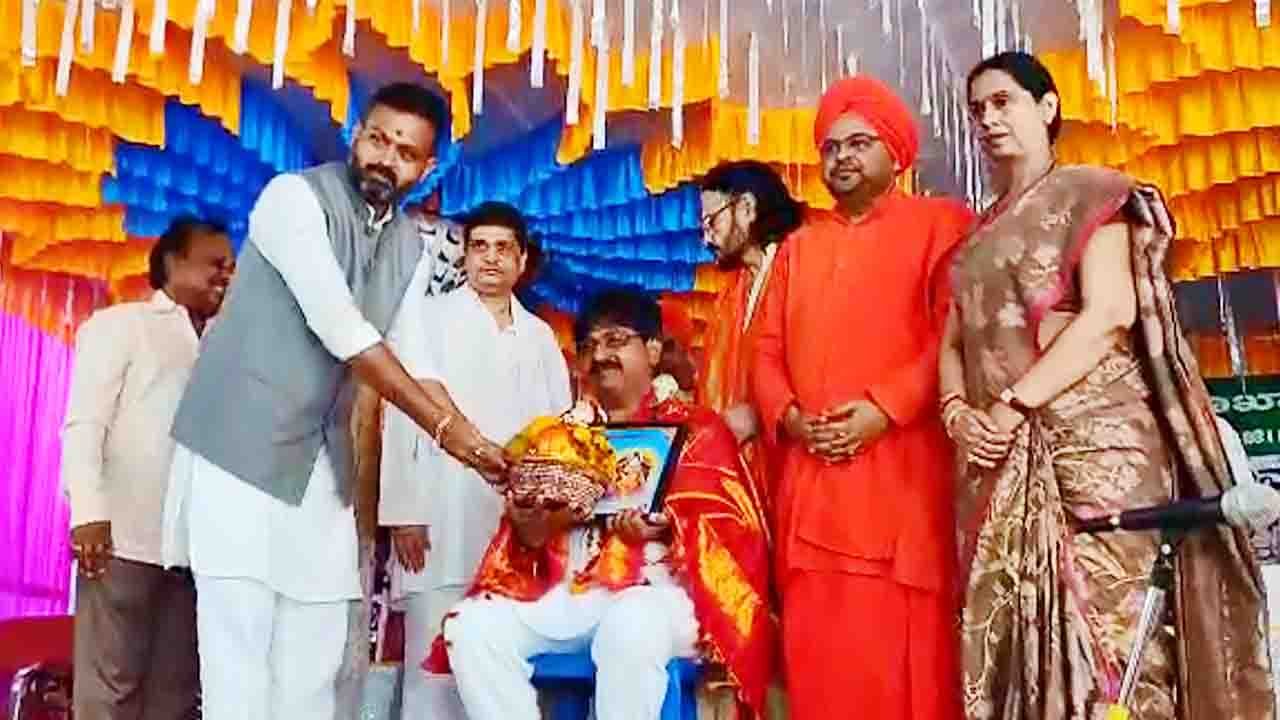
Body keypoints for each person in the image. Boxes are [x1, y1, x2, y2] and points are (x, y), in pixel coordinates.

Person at [161, 82, 508, 720]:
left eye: (406, 152)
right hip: (238, 455)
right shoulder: (291, 199)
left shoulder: (410, 246)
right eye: (378, 139)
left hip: (321, 471)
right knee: (238, 660)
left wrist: (479, 446)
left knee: (314, 664)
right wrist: (446, 431)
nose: (385, 159)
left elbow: (418, 361)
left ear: (427, 167)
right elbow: (342, 329)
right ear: (357, 134)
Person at [942, 51, 1273, 718]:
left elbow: (1109, 314)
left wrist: (1011, 405)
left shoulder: (1092, 194)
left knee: (1118, 641)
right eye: (977, 110)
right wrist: (956, 412)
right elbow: (954, 341)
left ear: (1047, 106)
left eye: (1003, 102)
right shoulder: (976, 238)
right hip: (999, 461)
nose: (988, 119)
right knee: (1018, 644)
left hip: (1097, 452)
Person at [437, 289, 776, 720]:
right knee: (470, 627)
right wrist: (532, 523)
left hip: (664, 595)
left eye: (615, 340)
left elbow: (732, 529)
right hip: (573, 592)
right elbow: (528, 542)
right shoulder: (559, 435)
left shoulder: (698, 430)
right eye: (588, 346)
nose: (600, 356)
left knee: (631, 622)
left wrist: (667, 527)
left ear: (652, 350)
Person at [751, 75, 974, 720]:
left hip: (902, 479)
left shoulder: (943, 224)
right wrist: (790, 416)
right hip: (812, 484)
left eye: (859, 143)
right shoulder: (798, 248)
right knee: (820, 663)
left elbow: (954, 334)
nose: (841, 157)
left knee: (907, 663)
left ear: (896, 153)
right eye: (830, 147)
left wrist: (884, 408)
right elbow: (764, 349)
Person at [379, 202, 572, 719]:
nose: (490, 258)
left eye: (503, 248)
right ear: (463, 255)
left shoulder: (541, 336)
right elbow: (401, 411)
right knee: (432, 664)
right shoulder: (429, 318)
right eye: (479, 246)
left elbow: (560, 433)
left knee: (501, 666)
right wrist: (402, 511)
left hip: (517, 526)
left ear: (522, 260)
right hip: (439, 515)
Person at [62, 217, 233, 719]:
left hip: (194, 552)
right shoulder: (121, 326)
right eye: (216, 264)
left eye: (232, 267)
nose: (226, 276)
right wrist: (88, 512)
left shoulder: (227, 346)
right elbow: (85, 425)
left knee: (174, 699)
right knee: (109, 691)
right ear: (173, 263)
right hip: (121, 540)